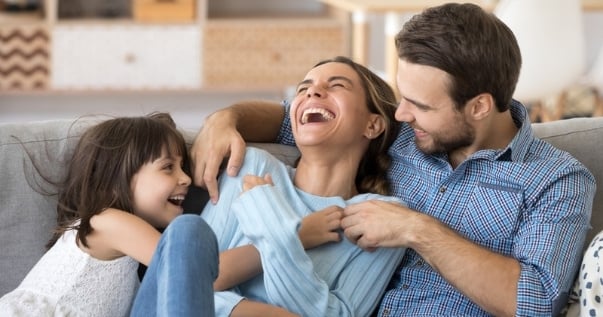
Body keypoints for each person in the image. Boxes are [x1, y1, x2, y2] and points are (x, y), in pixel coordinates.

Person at [190, 3, 596, 316]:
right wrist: (227, 118)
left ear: (479, 106)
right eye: (400, 97)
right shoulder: (397, 134)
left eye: (418, 105)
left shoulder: (555, 179)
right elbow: (294, 117)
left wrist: (417, 229)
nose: (399, 114)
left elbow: (535, 303)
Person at [199, 56, 407, 316]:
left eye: (337, 85)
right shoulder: (253, 167)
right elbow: (187, 279)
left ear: (372, 125)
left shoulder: (380, 218)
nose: (313, 91)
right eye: (303, 88)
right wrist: (296, 237)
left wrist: (271, 223)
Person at [0, 113, 218, 316]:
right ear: (116, 180)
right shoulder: (106, 222)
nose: (186, 179)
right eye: (168, 167)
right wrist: (253, 245)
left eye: (184, 167)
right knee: (188, 231)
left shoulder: (132, 262)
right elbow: (192, 267)